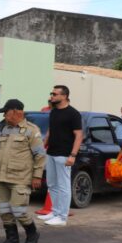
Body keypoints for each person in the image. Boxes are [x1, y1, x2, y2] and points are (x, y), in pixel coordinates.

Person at [0, 99, 46, 243]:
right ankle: (12, 240)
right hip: (3, 177)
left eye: (6, 112)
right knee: (5, 211)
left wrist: (37, 176)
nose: (4, 115)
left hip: (20, 178)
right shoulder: (5, 129)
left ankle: (32, 234)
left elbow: (40, 155)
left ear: (16, 112)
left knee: (19, 211)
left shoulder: (32, 130)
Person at [40, 85, 83, 227]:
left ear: (64, 96)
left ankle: (62, 217)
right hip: (51, 152)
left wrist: (73, 155)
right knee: (52, 184)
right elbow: (51, 131)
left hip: (64, 154)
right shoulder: (54, 112)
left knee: (63, 186)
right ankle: (55, 211)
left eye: (55, 94)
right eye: (51, 93)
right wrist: (43, 146)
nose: (51, 96)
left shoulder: (73, 114)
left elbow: (78, 135)